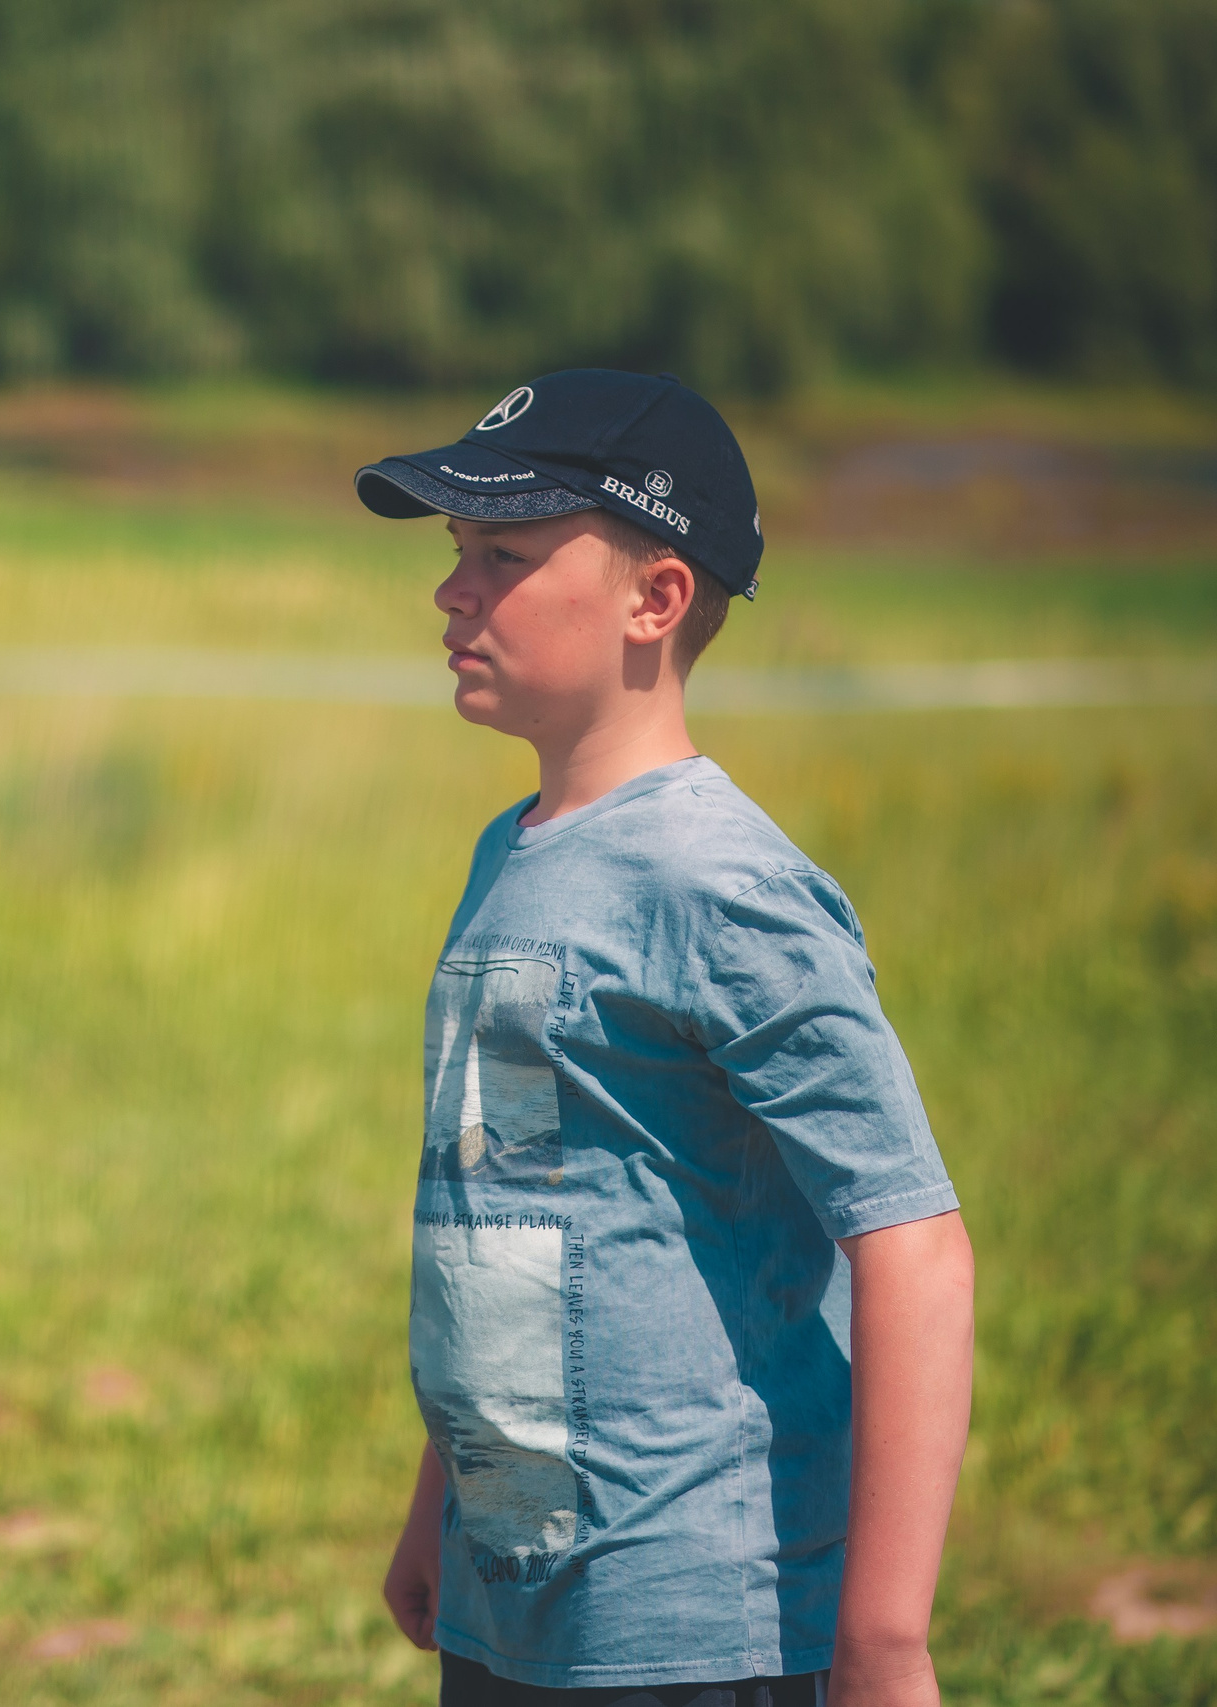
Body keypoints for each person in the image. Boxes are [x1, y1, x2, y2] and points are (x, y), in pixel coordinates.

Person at [355, 371, 976, 1707]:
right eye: (458, 554)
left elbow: (912, 1242)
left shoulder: (721, 885)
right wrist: (443, 1510)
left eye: (506, 556)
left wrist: (882, 1641)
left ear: (657, 599)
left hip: (691, 1619)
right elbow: (511, 1211)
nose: (453, 591)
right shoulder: (507, 856)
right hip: (518, 1595)